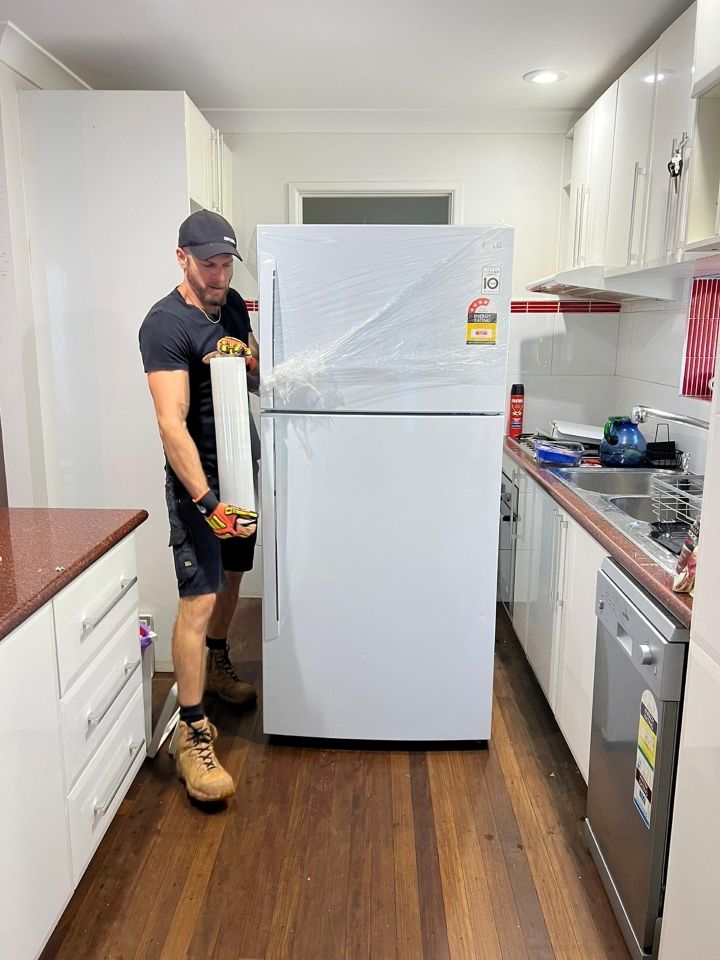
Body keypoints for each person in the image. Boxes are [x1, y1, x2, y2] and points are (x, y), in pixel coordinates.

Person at [139, 210, 260, 803]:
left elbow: (256, 376)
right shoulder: (165, 324)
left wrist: (247, 359)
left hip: (243, 472)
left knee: (234, 577)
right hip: (200, 484)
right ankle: (191, 736)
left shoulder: (232, 304)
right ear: (181, 257)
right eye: (208, 263)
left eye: (226, 262)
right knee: (199, 597)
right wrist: (208, 503)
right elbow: (171, 424)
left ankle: (217, 661)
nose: (218, 274)